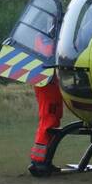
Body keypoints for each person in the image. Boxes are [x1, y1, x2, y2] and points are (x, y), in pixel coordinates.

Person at [29, 30, 63, 176]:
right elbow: (51, 57)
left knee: (52, 120)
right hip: (48, 85)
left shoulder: (41, 37)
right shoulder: (46, 40)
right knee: (48, 121)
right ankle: (39, 161)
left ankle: (44, 161)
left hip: (48, 84)